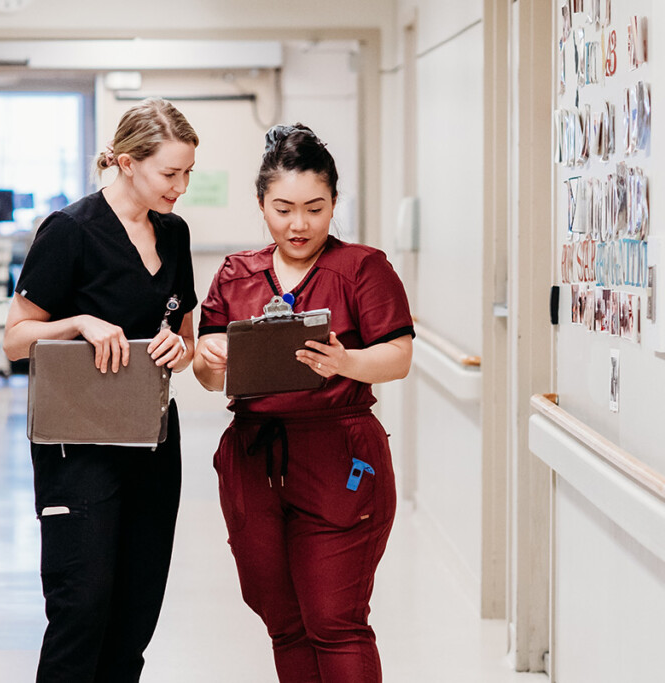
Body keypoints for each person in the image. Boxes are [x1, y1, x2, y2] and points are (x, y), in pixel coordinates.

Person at [193, 123, 414, 682]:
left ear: (334, 203)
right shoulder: (236, 273)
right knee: (284, 621)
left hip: (338, 456)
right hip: (253, 460)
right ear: (261, 204)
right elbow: (205, 373)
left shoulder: (363, 268)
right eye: (283, 208)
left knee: (334, 620)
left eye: (315, 208)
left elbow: (398, 356)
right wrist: (209, 354)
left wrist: (346, 362)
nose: (299, 224)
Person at [2, 98, 198, 683]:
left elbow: (186, 337)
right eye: (170, 173)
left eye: (188, 173)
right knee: (81, 610)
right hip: (78, 450)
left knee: (134, 618)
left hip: (153, 444)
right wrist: (76, 323)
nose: (180, 187)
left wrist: (178, 349)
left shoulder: (174, 233)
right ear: (128, 162)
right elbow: (15, 340)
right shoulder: (69, 232)